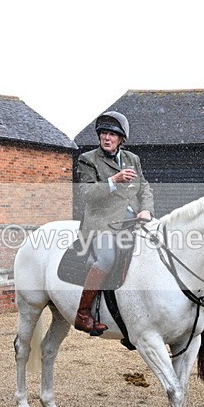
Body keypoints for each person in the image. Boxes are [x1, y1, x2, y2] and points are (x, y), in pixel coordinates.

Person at [74, 111, 154, 334]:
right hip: (103, 223)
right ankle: (83, 313)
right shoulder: (88, 159)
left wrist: (146, 209)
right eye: (103, 134)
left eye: (112, 135)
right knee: (107, 259)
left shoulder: (132, 159)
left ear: (121, 139)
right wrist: (113, 180)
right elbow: (88, 195)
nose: (106, 138)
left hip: (134, 221)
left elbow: (145, 188)